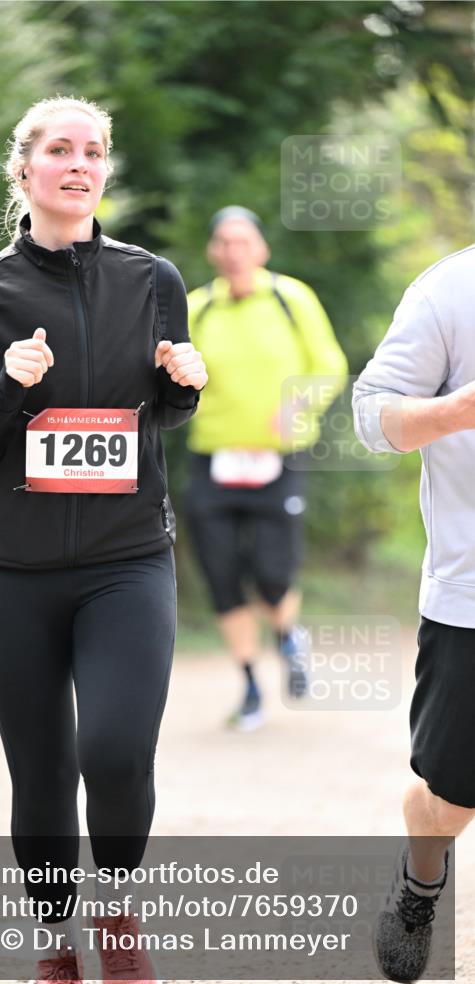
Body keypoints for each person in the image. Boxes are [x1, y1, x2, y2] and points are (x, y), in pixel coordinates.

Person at [0, 95, 207, 984]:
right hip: (9, 571)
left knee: (115, 753)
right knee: (40, 774)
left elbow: (152, 412)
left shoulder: (154, 280)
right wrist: (7, 388)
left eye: (92, 152)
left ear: (103, 172)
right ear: (24, 171)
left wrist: (185, 387)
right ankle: (55, 942)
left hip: (125, 559)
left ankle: (116, 916)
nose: (78, 164)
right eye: (59, 150)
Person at [352, 244, 475, 984]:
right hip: (470, 597)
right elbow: (372, 418)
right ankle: (420, 877)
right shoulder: (450, 290)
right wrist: (455, 409)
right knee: (450, 796)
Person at [184, 206, 348, 730]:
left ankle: (287, 635)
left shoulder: (290, 298)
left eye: (244, 241)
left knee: (275, 574)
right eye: (224, 242)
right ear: (213, 251)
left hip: (278, 459)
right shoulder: (197, 308)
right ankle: (252, 684)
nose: (234, 251)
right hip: (213, 460)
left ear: (261, 249)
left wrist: (298, 403)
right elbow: (169, 371)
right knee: (222, 575)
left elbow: (329, 364)